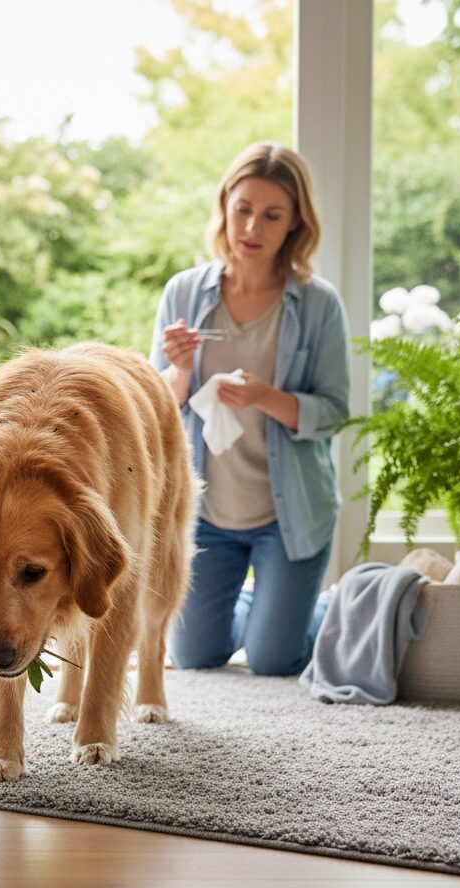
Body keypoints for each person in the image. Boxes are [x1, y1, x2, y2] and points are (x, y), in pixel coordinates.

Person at [149, 141, 350, 676]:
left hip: (289, 516)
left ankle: (324, 606)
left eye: (271, 215)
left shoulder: (318, 304)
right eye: (243, 209)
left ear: (295, 223)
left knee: (273, 660)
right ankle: (263, 609)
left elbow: (333, 412)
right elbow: (155, 411)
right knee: (195, 655)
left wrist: (266, 396)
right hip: (207, 512)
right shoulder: (185, 292)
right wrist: (182, 370)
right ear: (225, 207)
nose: (252, 228)